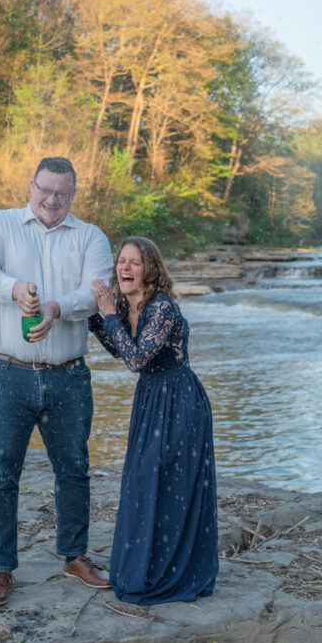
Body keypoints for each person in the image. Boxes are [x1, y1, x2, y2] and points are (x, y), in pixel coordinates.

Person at [0, 156, 114, 607]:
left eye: (62, 194)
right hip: (3, 372)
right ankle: (0, 569)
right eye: (44, 190)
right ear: (30, 186)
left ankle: (74, 556)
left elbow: (98, 289)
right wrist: (14, 289)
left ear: (73, 194)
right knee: (0, 474)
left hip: (68, 375)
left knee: (74, 469)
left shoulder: (90, 236)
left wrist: (55, 307)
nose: (51, 200)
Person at [90, 236, 218, 605]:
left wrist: (107, 315)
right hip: (150, 399)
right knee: (142, 482)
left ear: (150, 270)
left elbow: (137, 360)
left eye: (134, 262)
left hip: (179, 402)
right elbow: (120, 349)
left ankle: (173, 571)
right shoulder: (126, 304)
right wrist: (94, 318)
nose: (125, 268)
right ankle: (142, 568)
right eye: (121, 261)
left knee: (168, 484)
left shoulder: (161, 307)